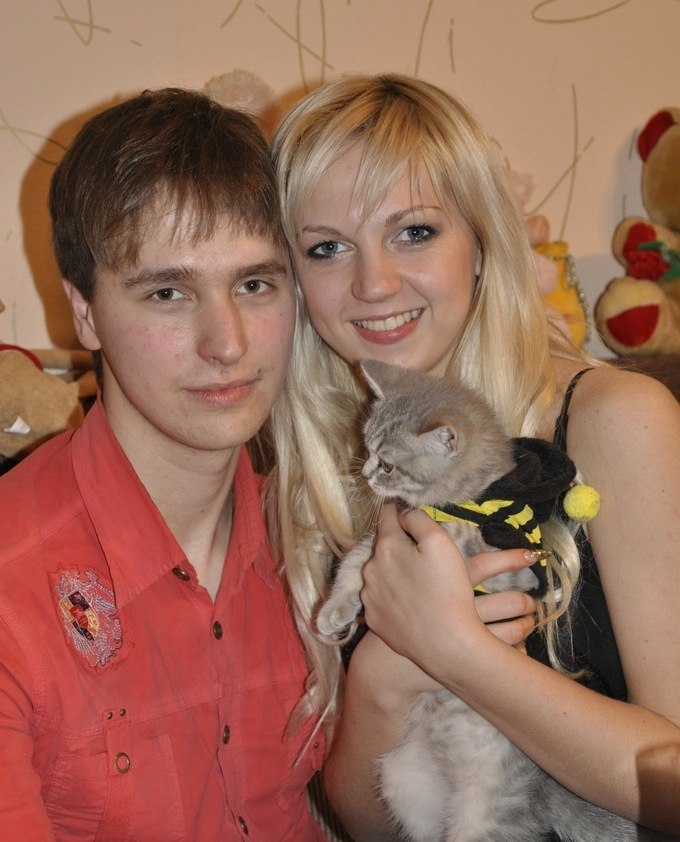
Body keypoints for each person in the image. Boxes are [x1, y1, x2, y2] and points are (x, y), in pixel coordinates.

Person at [267, 73, 680, 839]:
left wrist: (458, 653)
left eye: (414, 233)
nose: (374, 283)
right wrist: (381, 682)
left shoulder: (617, 420)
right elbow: (373, 826)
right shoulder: (328, 467)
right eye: (327, 248)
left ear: (483, 243)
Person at [0, 88, 328, 841]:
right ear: (84, 311)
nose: (227, 343)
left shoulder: (318, 548)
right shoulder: (12, 591)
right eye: (170, 292)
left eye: (254, 284)